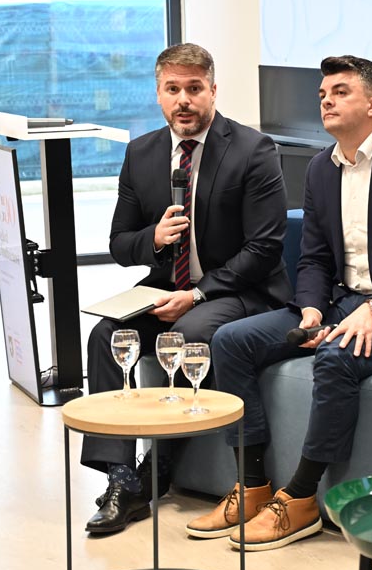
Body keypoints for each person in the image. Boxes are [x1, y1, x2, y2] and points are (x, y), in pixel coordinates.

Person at [195, 54, 372, 550]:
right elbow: (312, 257)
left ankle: (301, 498)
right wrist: (311, 308)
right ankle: (252, 485)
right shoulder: (320, 169)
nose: (326, 101)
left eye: (340, 92)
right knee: (230, 341)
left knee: (335, 358)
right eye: (322, 94)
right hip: (337, 303)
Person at [82, 43, 291, 535]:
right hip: (164, 288)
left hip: (239, 291)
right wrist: (153, 238)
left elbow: (264, 248)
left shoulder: (253, 149)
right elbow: (119, 243)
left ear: (213, 91)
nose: (184, 100)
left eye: (194, 89)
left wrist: (197, 294)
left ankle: (159, 465)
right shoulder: (141, 153)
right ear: (158, 94)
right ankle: (121, 479)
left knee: (188, 333)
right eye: (172, 89)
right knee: (105, 336)